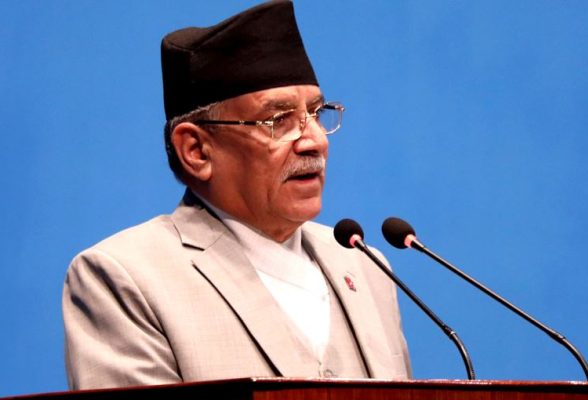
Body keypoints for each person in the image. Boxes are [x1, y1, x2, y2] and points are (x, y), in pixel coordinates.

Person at [62, 0, 411, 390]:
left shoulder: (364, 267)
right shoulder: (127, 277)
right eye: (279, 120)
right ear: (196, 151)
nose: (315, 141)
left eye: (316, 113)